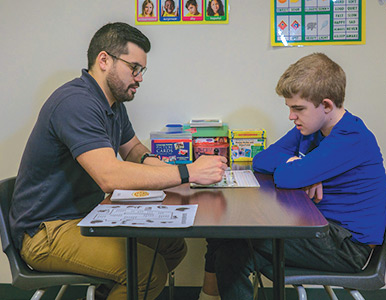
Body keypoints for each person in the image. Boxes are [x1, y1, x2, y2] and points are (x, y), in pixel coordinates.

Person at [9, 22, 227, 300]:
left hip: (85, 216)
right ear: (104, 60)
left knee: (172, 247)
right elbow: (109, 177)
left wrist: (184, 175)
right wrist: (188, 172)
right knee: (149, 272)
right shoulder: (76, 102)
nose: (139, 77)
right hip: (46, 231)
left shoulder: (112, 104)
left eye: (142, 70)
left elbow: (134, 150)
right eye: (133, 67)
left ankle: (106, 294)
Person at [197, 53, 386, 300]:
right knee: (223, 233)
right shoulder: (310, 131)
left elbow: (287, 178)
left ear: (327, 105)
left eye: (298, 108)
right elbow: (261, 160)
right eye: (289, 108)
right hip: (316, 228)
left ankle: (208, 296)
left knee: (233, 243)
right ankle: (208, 296)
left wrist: (301, 170)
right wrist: (297, 163)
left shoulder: (351, 138)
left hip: (346, 247)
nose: (291, 116)